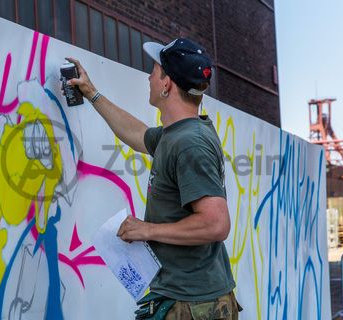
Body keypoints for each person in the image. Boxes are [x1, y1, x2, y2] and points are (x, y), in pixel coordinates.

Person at [65, 38, 240, 320]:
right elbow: (137, 134)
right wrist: (92, 93)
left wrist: (147, 230)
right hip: (187, 300)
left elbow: (216, 223)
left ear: (166, 84)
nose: (149, 76)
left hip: (193, 307)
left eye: (155, 70)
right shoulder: (176, 135)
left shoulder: (189, 143)